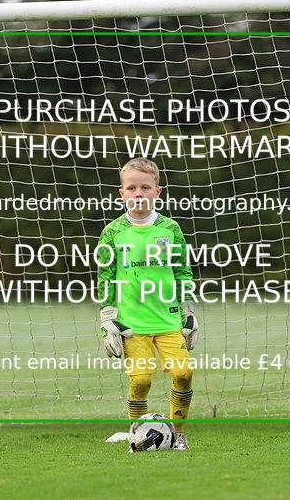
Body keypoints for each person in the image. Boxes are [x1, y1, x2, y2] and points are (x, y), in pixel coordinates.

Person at [96, 157, 198, 451]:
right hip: (132, 324)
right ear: (122, 194)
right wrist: (107, 319)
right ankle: (137, 438)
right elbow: (106, 275)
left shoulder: (171, 229)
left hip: (167, 322)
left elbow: (182, 271)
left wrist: (187, 311)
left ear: (157, 191)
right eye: (131, 188)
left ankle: (178, 434)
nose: (138, 193)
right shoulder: (113, 232)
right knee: (141, 380)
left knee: (183, 373)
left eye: (145, 187)